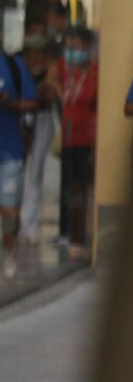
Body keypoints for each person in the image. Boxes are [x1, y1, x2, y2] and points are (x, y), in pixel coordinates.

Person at [56, 26, 98, 258]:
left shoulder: (94, 72)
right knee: (68, 187)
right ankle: (67, 233)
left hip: (87, 139)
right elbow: (52, 85)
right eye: (69, 47)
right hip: (67, 138)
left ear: (87, 47)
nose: (72, 51)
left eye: (77, 47)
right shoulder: (62, 68)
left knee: (80, 189)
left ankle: (79, 236)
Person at [0, 40, 39, 281]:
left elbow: (33, 103)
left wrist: (10, 103)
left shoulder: (13, 66)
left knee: (9, 211)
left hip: (10, 153)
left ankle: (9, 253)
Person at [19, 24, 58, 247]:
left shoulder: (50, 66)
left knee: (35, 174)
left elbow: (50, 93)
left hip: (42, 120)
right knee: (16, 170)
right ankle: (16, 222)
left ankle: (30, 225)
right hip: (21, 120)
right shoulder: (19, 65)